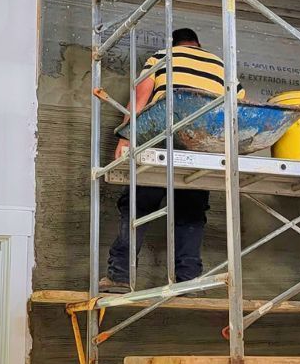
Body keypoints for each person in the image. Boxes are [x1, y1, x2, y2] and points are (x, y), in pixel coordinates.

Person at [100, 28, 245, 293]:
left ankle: (120, 276)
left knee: (138, 206)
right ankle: (187, 281)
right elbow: (238, 109)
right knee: (190, 212)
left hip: (162, 138)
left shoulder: (161, 56)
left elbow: (140, 100)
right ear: (198, 44)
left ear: (175, 44)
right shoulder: (221, 64)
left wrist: (124, 140)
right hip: (202, 145)